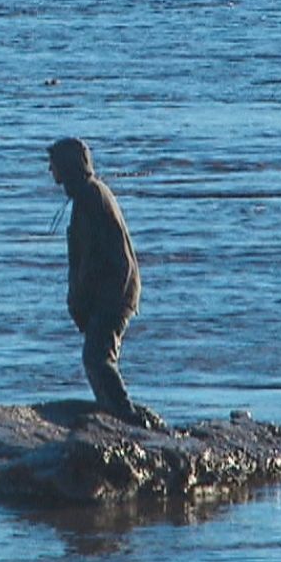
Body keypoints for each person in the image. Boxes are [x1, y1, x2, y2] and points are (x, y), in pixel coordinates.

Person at [47, 138, 163, 430]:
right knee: (96, 358)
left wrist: (95, 301)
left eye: (55, 164)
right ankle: (116, 414)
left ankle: (127, 420)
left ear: (69, 166)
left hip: (115, 294)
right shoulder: (86, 196)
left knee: (98, 359)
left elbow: (109, 259)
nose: (51, 170)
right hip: (109, 295)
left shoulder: (92, 197)